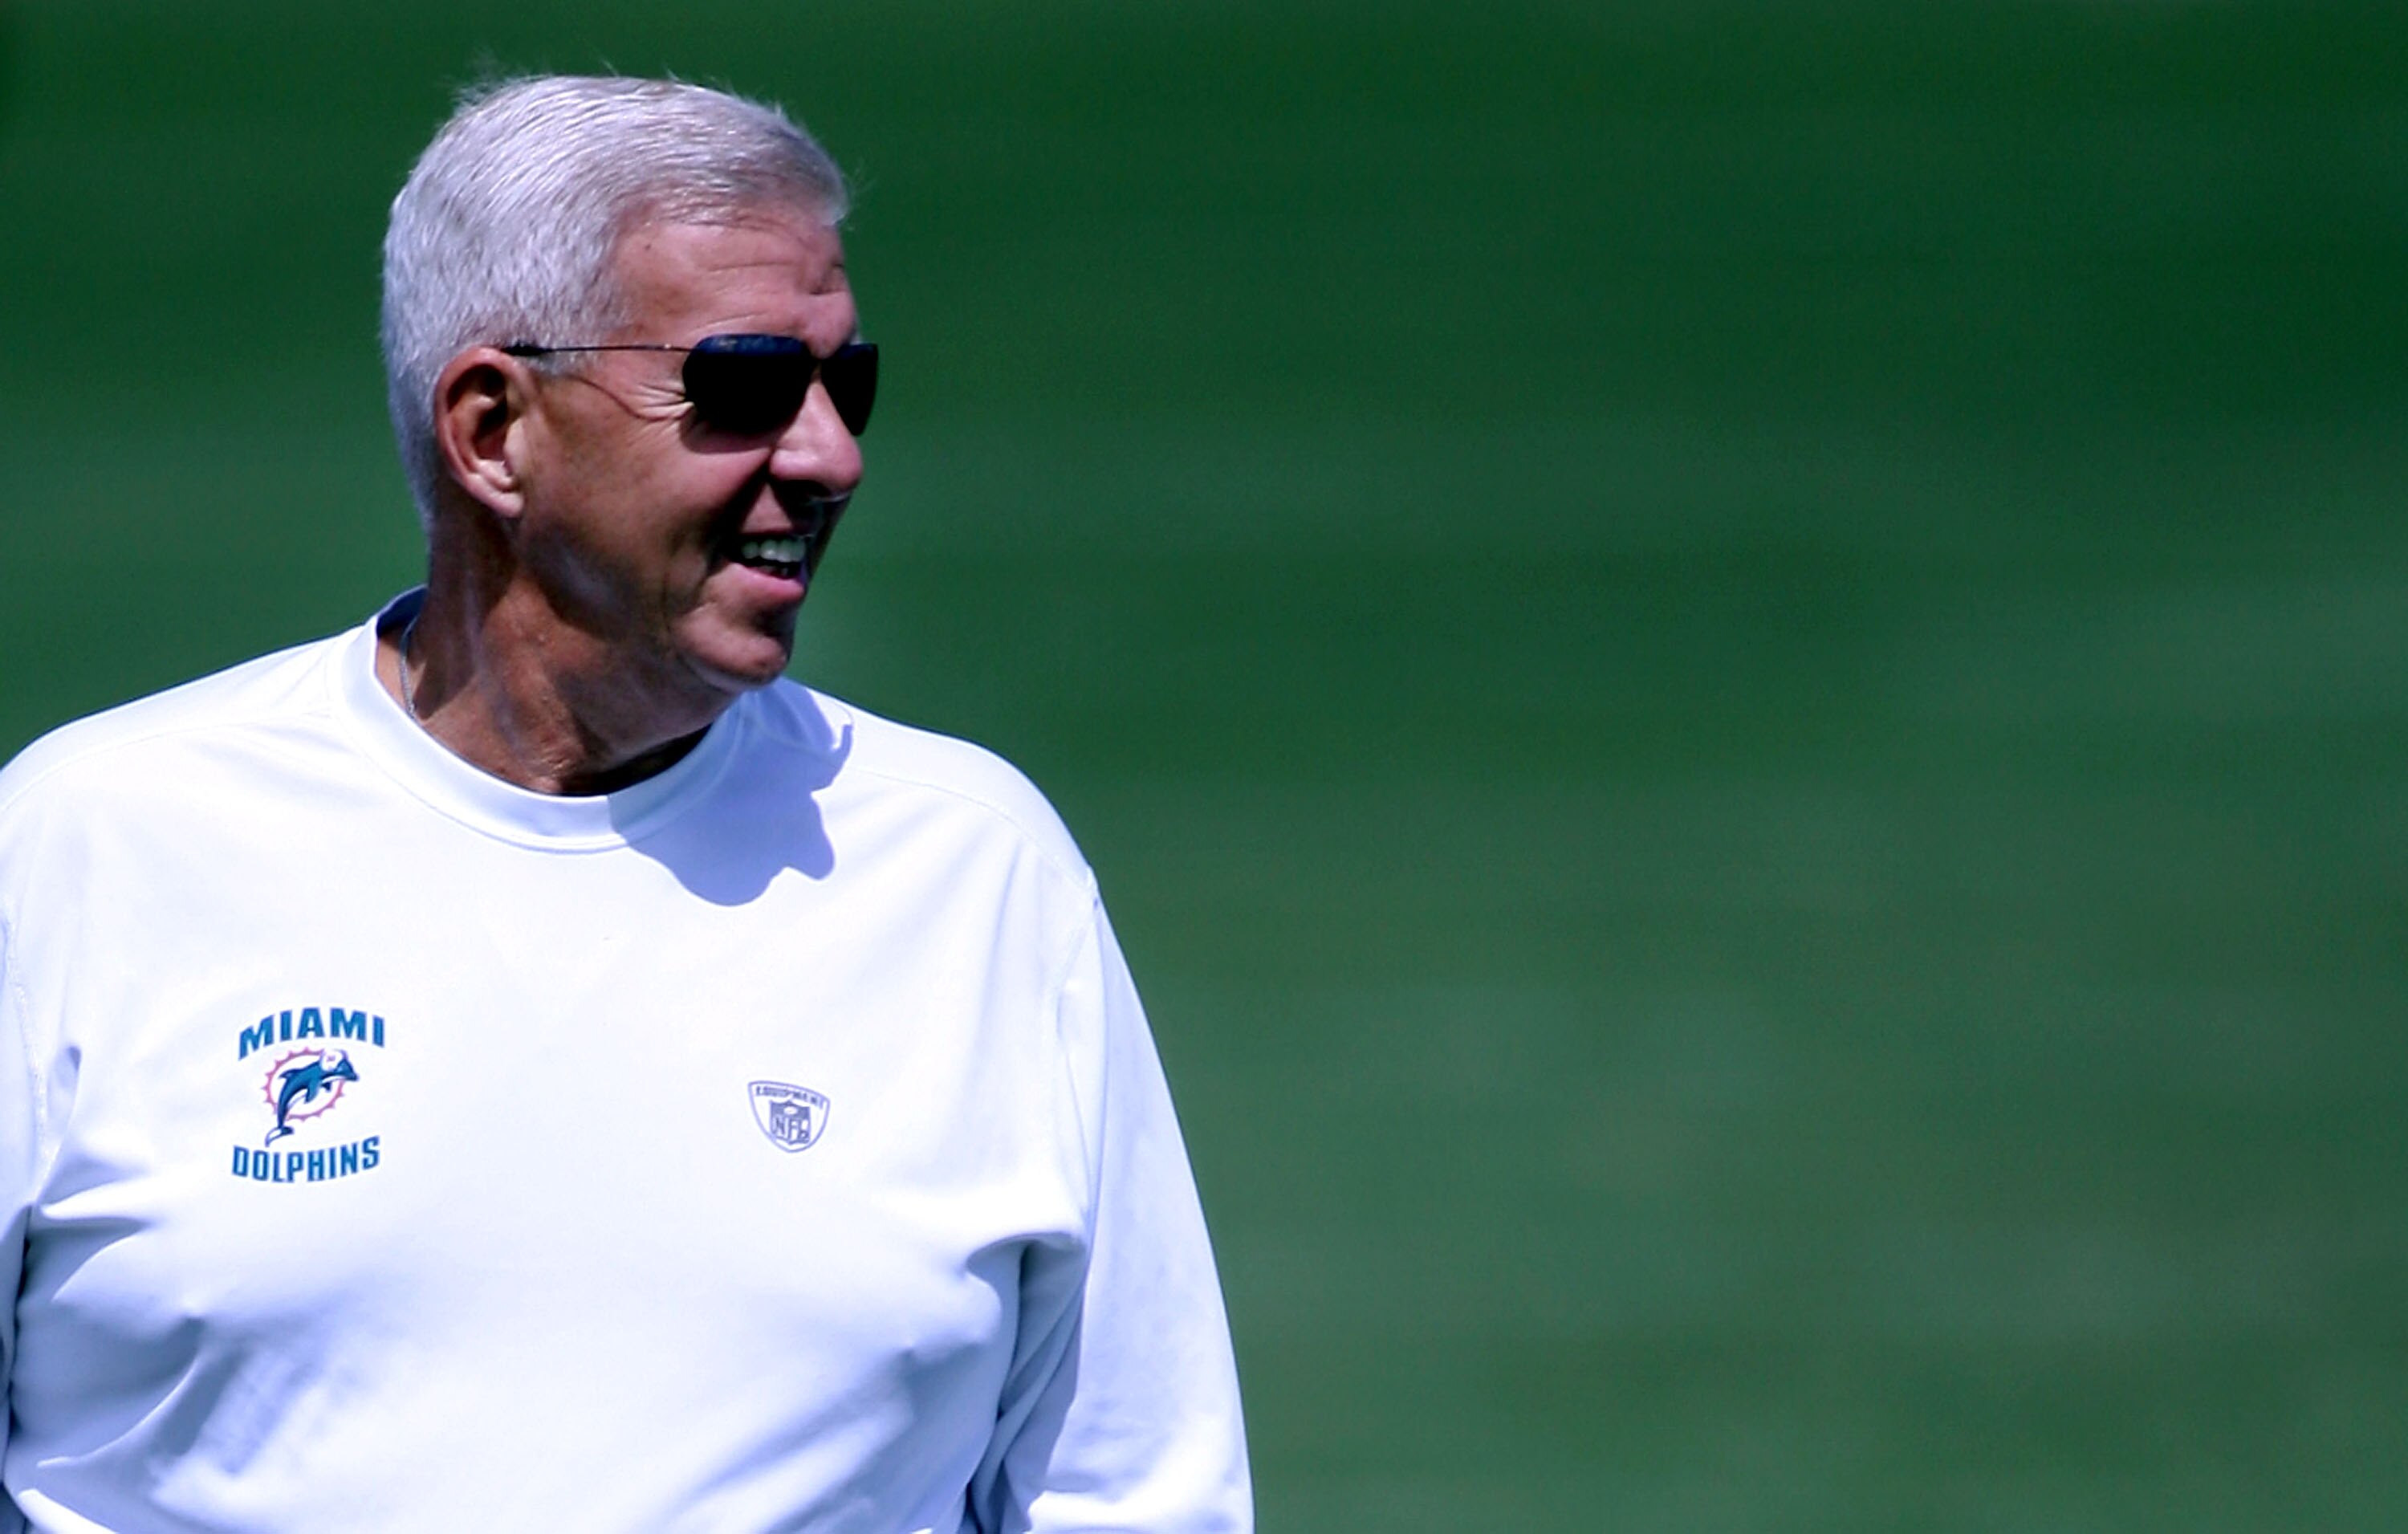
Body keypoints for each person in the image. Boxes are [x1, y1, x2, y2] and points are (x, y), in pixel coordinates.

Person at [0, 75, 1250, 1532]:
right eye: (743, 387)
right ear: (492, 429)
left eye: (847, 387)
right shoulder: (86, 845)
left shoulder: (973, 871)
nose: (830, 455)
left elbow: (1130, 1496)